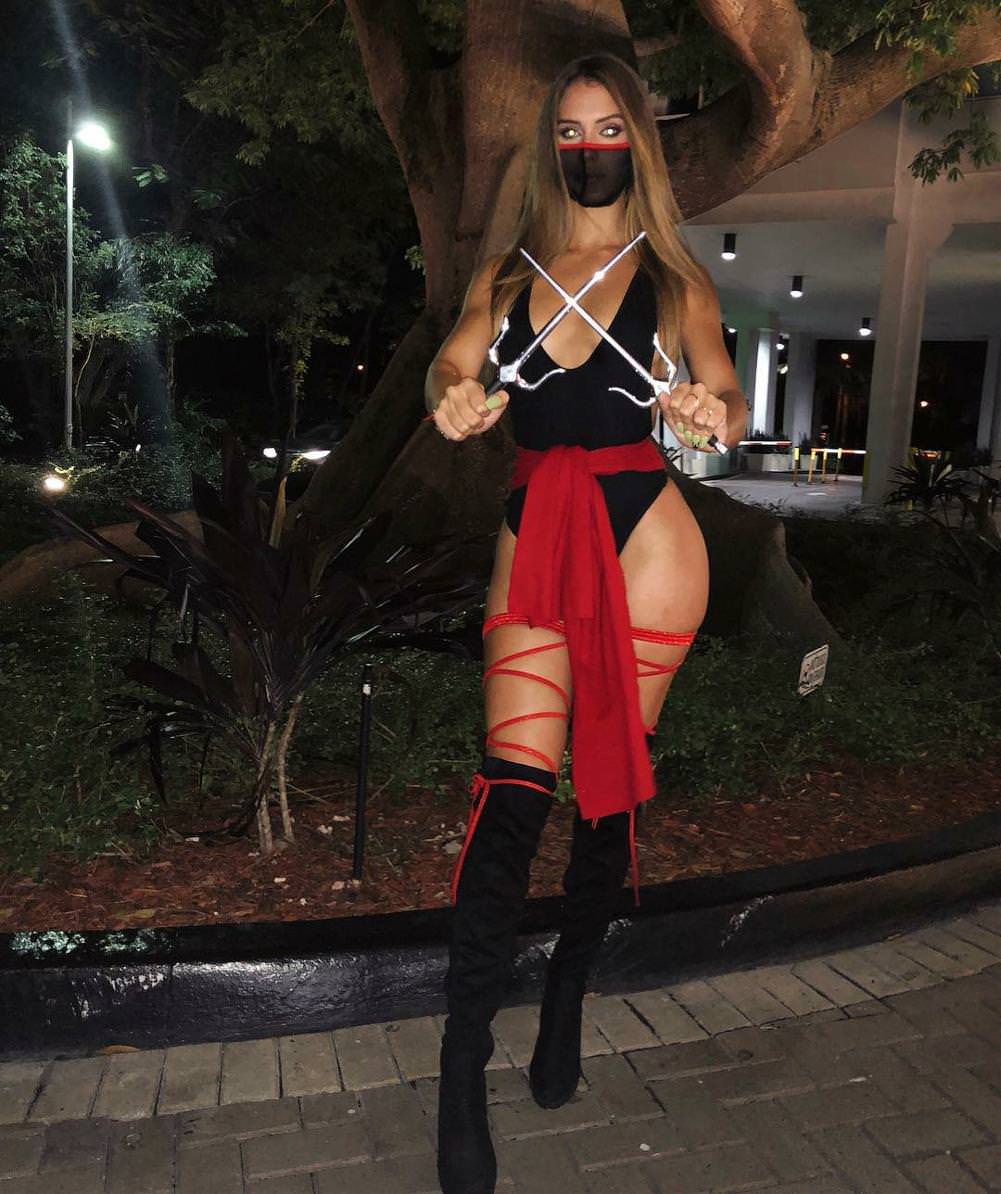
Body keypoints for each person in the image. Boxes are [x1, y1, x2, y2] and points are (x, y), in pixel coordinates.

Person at [423, 50, 748, 1194]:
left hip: (648, 541)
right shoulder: (505, 274)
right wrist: (451, 398)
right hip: (536, 529)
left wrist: (710, 413)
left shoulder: (675, 277)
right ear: (545, 147)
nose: (588, 148)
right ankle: (461, 1066)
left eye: (609, 128)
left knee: (607, 781)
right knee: (512, 788)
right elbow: (450, 367)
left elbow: (724, 400)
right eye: (569, 131)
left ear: (637, 142)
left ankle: (567, 986)